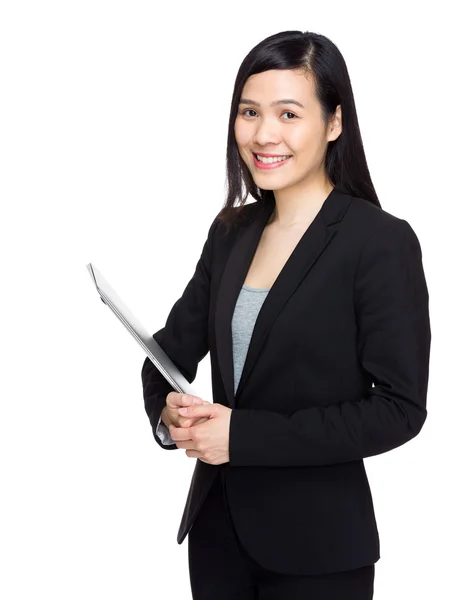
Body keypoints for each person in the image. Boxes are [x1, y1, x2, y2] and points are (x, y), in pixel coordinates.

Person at [141, 30, 431, 599]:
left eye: (288, 113)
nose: (263, 134)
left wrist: (243, 438)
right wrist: (168, 418)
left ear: (334, 122)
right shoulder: (231, 233)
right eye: (249, 112)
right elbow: (164, 355)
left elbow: (398, 410)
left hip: (318, 551)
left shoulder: (378, 242)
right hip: (217, 536)